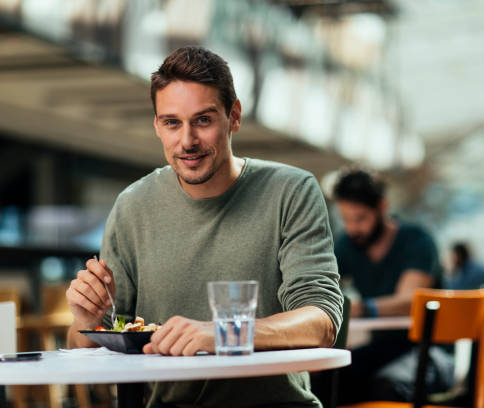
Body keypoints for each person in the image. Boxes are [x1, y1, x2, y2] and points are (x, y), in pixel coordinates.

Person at [65, 46, 343, 408]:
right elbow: (89, 345)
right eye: (172, 123)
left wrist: (225, 334)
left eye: (203, 120)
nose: (187, 141)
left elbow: (322, 322)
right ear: (157, 126)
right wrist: (87, 322)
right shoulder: (132, 205)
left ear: (234, 116)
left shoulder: (292, 191)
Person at [332, 168, 442, 404]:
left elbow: (409, 301)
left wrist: (360, 308)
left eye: (360, 218)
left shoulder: (416, 241)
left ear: (382, 207)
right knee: (331, 378)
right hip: (383, 347)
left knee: (385, 386)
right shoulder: (347, 245)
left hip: (429, 350)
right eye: (346, 219)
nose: (352, 228)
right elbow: (321, 285)